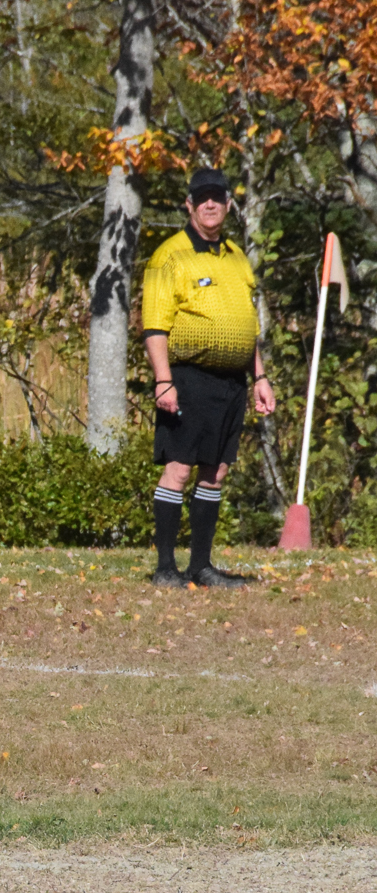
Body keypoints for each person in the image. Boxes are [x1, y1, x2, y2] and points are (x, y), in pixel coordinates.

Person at [142, 167, 277, 589]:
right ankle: (166, 567)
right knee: (178, 470)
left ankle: (201, 566)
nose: (210, 204)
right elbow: (154, 325)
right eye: (202, 198)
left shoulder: (237, 257)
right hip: (188, 376)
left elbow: (247, 324)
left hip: (232, 382)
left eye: (217, 196)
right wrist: (164, 381)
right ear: (189, 204)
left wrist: (259, 377)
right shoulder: (170, 255)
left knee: (214, 472)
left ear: (229, 203)